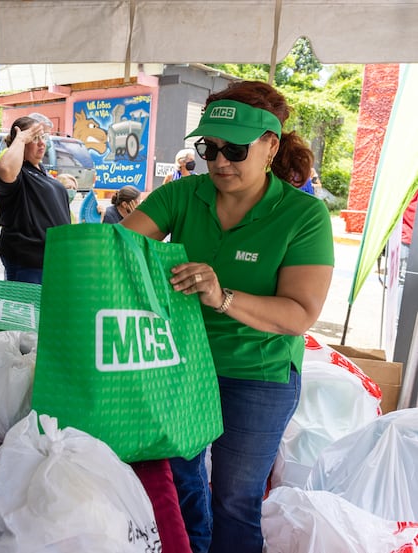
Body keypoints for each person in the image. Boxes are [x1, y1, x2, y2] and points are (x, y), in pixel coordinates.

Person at [121, 80, 334, 553]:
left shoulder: (303, 216)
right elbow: (118, 250)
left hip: (258, 373)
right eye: (208, 148)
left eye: (235, 150)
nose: (219, 162)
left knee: (235, 500)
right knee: (179, 479)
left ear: (270, 146)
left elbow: (299, 314)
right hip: (183, 365)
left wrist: (223, 296)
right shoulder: (184, 195)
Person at [0, 116, 72, 284]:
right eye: (34, 138)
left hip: (54, 259)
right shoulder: (17, 173)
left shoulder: (41, 171)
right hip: (29, 263)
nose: (42, 143)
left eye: (43, 137)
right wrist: (21, 138)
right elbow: (5, 169)